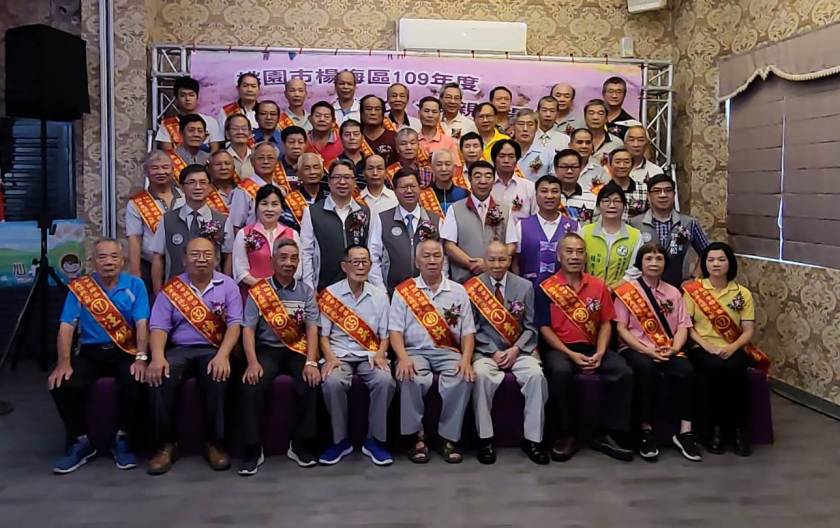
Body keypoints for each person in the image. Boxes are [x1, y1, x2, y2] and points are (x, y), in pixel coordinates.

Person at [48, 238, 149, 474]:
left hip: (125, 350)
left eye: (114, 257)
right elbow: (66, 326)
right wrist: (63, 363)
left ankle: (123, 438)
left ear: (122, 261)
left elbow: (142, 324)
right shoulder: (81, 287)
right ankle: (80, 440)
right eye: (102, 257)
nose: (108, 262)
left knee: (135, 381)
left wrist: (141, 358)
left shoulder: (135, 285)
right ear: (93, 262)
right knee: (61, 383)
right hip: (90, 352)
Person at [146, 237, 242, 475]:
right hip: (179, 349)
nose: (201, 259)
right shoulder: (172, 288)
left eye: (207, 254)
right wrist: (157, 357)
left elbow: (234, 325)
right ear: (184, 259)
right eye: (195, 254)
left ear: (216, 259)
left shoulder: (228, 285)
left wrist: (223, 355)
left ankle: (215, 443)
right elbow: (158, 327)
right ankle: (166, 445)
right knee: (161, 376)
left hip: (214, 348)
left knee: (218, 375)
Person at [536, 233, 634, 462]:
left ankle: (608, 434)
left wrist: (600, 352)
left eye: (580, 252)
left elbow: (606, 323)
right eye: (569, 251)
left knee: (623, 372)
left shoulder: (598, 286)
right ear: (559, 255)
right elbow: (544, 328)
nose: (575, 256)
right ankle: (565, 434)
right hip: (560, 349)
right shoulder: (546, 288)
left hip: (592, 347)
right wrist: (570, 354)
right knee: (560, 372)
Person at [389, 238, 476, 463]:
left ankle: (448, 438)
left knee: (463, 377)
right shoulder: (404, 291)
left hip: (448, 351)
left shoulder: (458, 291)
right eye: (426, 256)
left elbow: (468, 332)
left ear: (443, 260)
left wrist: (466, 360)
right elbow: (395, 331)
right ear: (417, 261)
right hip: (414, 352)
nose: (432, 260)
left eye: (437, 255)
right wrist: (402, 358)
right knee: (409, 376)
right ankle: (415, 437)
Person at [238, 238, 321, 473]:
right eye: (283, 258)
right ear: (272, 260)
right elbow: (248, 329)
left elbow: (312, 328)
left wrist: (311, 361)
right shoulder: (259, 291)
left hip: (297, 349)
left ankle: (301, 445)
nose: (289, 263)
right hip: (267, 350)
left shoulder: (305, 291)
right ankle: (253, 449)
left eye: (294, 258)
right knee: (251, 385)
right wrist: (252, 363)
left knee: (311, 382)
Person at [614, 242, 702, 462]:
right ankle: (646, 431)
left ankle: (685, 432)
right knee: (644, 369)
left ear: (665, 263)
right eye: (648, 258)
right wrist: (646, 350)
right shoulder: (626, 292)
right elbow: (621, 329)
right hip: (635, 348)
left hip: (667, 348)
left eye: (659, 258)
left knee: (686, 371)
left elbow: (683, 326)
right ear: (640, 263)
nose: (654, 263)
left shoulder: (674, 292)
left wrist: (674, 349)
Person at [467, 240, 549, 465]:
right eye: (492, 259)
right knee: (481, 376)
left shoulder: (524, 286)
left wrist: (516, 349)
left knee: (536, 376)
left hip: (518, 350)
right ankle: (485, 440)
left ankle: (533, 440)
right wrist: (493, 351)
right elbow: (470, 329)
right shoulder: (473, 287)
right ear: (484, 261)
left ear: (509, 260)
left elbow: (531, 327)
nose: (497, 265)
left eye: (502, 259)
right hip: (486, 352)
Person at [684, 242, 768, 457]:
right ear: (704, 264)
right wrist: (708, 346)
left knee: (735, 369)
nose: (716, 264)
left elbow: (748, 330)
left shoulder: (742, 293)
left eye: (721, 259)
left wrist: (732, 347)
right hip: (702, 347)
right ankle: (715, 430)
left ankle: (739, 431)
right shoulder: (693, 291)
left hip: (733, 346)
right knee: (715, 369)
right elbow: (688, 328)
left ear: (730, 263)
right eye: (711, 260)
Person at [318, 245, 395, 466]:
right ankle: (340, 441)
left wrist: (380, 353)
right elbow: (323, 336)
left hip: (370, 354)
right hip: (339, 354)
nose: (360, 267)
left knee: (385, 380)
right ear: (345, 266)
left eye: (365, 262)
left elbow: (385, 335)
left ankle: (375, 440)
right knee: (332, 381)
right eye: (355, 262)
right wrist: (330, 357)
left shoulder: (380, 296)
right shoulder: (330, 295)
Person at [150, 164, 234, 292]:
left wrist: (225, 289)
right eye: (191, 183)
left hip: (212, 292)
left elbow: (228, 257)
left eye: (203, 182)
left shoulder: (222, 221)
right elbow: (157, 257)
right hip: (176, 291)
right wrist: (158, 293)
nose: (198, 187)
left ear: (210, 187)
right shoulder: (168, 220)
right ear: (182, 187)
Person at [300, 159, 380, 291]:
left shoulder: (367, 212)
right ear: (329, 181)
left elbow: (373, 252)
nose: (342, 182)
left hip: (361, 289)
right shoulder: (312, 212)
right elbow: (306, 253)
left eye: (347, 177)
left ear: (354, 182)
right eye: (337, 177)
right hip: (325, 289)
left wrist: (377, 287)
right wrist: (309, 288)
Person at [369, 167, 441, 293]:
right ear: (394, 190)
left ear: (420, 188)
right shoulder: (383, 219)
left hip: (428, 293)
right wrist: (381, 290)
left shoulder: (434, 220)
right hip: (392, 292)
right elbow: (373, 256)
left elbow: (443, 259)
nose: (409, 191)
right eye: (403, 187)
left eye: (413, 186)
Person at [631, 174, 710, 287]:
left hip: (678, 286)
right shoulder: (634, 223)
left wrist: (694, 278)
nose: (663, 195)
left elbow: (707, 252)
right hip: (641, 288)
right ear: (648, 196)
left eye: (668, 190)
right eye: (657, 191)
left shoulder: (689, 223)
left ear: (674, 194)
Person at [126, 151, 184, 289]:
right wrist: (135, 272)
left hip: (183, 264)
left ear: (173, 170)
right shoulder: (137, 202)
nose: (161, 172)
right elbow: (134, 239)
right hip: (150, 264)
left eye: (165, 167)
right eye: (155, 168)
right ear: (146, 172)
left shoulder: (185, 197)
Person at [508, 174, 579, 285]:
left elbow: (580, 262)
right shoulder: (522, 226)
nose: (549, 196)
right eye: (544, 191)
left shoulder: (574, 226)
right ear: (535, 195)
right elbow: (515, 262)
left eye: (555, 191)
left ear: (561, 195)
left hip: (564, 292)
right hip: (530, 290)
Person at [232, 184, 301, 294]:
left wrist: (279, 286)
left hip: (286, 294)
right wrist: (264, 287)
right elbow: (240, 271)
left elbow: (298, 269)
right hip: (254, 294)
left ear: (282, 208)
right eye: (264, 204)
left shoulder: (292, 234)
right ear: (256, 207)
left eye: (275, 204)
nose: (269, 209)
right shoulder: (244, 234)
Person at [581, 182, 643, 288]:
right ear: (598, 206)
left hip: (620, 293)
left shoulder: (635, 235)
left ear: (624, 206)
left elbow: (635, 270)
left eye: (617, 201)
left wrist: (611, 289)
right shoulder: (585, 232)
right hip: (588, 290)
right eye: (606, 201)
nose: (612, 205)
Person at [229, 142, 298, 232]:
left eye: (270, 158)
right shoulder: (243, 190)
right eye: (261, 158)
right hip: (253, 238)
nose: (266, 161)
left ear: (276, 162)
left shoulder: (279, 188)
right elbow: (236, 225)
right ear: (252, 162)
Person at [155, 76, 222, 151]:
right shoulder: (168, 125)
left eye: (191, 95)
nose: (187, 99)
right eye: (183, 95)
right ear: (176, 99)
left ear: (197, 98)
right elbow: (168, 153)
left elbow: (215, 151)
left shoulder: (211, 122)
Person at [490, 139, 537, 222]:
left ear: (517, 160)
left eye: (511, 156)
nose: (506, 160)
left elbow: (535, 217)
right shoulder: (486, 185)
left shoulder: (529, 187)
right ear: (494, 159)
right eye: (502, 156)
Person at [417, 96, 461, 172]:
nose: (430, 115)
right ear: (419, 113)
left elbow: (456, 169)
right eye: (426, 111)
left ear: (439, 115)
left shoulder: (448, 142)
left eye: (434, 112)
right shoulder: (412, 141)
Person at [553, 148, 596, 223]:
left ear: (580, 168)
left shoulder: (593, 198)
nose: (569, 171)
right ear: (556, 169)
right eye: (565, 167)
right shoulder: (547, 196)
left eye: (574, 167)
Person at [422, 149, 469, 216]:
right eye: (439, 164)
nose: (443, 169)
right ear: (432, 167)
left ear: (454, 167)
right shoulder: (424, 196)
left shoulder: (464, 194)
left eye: (448, 164)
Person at [512, 110, 555, 183]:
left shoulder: (548, 154)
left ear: (536, 128)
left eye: (530, 124)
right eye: (521, 124)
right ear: (513, 127)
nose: (525, 129)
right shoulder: (503, 152)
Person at [286, 153, 329, 225]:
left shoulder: (332, 197)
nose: (312, 172)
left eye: (316, 167)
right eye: (307, 168)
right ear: (298, 174)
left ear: (322, 172)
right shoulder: (291, 200)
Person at [607, 148, 649, 221]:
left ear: (632, 165)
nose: (622, 166)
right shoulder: (602, 189)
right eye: (617, 162)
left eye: (626, 162)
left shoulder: (644, 188)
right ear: (610, 165)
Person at [360, 94, 398, 165]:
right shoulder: (355, 137)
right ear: (361, 114)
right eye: (368, 109)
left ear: (383, 114)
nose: (373, 113)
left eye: (377, 109)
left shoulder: (394, 138)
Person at [570, 128, 609, 197]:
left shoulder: (600, 171)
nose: (584, 146)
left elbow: (605, 196)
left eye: (588, 143)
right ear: (570, 145)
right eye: (579, 142)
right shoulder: (560, 167)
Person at [584, 99, 624, 165]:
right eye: (591, 113)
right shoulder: (576, 141)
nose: (595, 117)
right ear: (585, 117)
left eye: (600, 113)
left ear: (606, 118)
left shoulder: (617, 143)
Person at [307, 100, 343, 166]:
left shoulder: (342, 140)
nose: (322, 119)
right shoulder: (304, 140)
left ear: (333, 122)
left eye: (326, 116)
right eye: (318, 116)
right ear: (310, 119)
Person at [224, 114, 255, 182]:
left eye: (244, 129)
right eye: (235, 129)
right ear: (227, 134)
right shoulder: (220, 159)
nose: (240, 132)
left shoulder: (257, 156)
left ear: (250, 133)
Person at [336, 119, 367, 187]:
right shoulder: (335, 163)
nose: (352, 138)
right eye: (347, 135)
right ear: (341, 139)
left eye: (356, 134)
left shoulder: (369, 163)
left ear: (363, 138)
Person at [206, 150, 237, 214]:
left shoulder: (244, 190)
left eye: (227, 163)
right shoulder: (205, 194)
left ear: (234, 168)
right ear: (209, 169)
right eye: (218, 164)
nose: (223, 167)